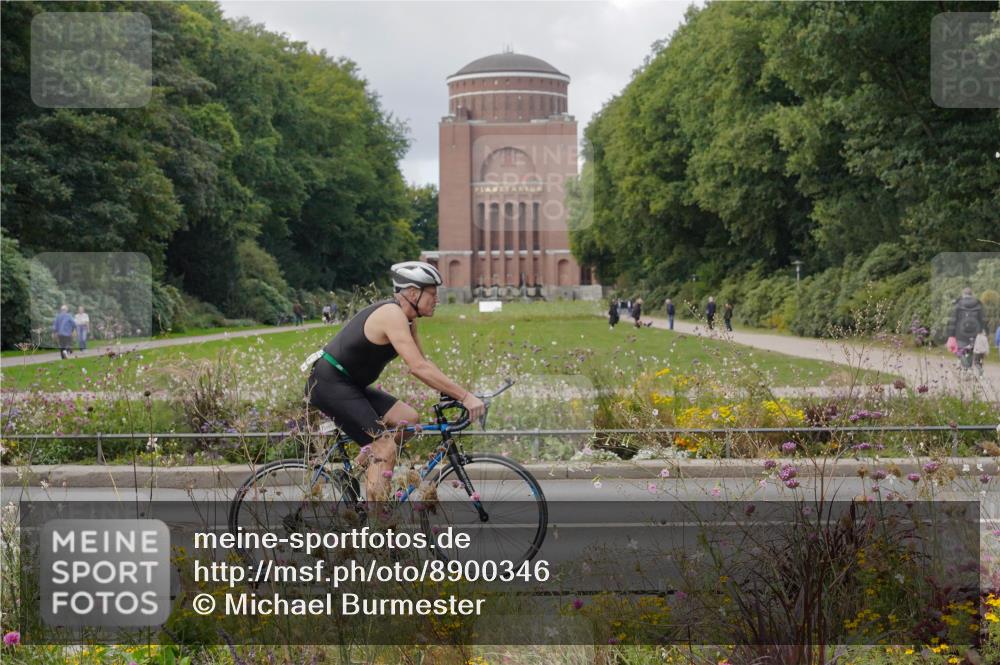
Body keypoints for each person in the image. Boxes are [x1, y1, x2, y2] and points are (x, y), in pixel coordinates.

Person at [304, 261, 485, 502]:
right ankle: (377, 520)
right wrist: (465, 397)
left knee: (408, 419)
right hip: (329, 383)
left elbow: (423, 363)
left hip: (350, 385)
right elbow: (418, 368)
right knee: (385, 446)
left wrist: (456, 392)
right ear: (413, 293)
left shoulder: (409, 320)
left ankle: (352, 473)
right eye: (432, 293)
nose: (437, 299)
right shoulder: (392, 315)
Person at [946, 287, 985, 371]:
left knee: (961, 351)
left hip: (960, 334)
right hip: (974, 334)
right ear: (972, 294)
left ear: (963, 294)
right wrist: (983, 332)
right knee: (971, 351)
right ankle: (969, 368)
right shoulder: (978, 304)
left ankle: (964, 368)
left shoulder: (958, 304)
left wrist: (951, 335)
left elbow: (953, 321)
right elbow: (982, 321)